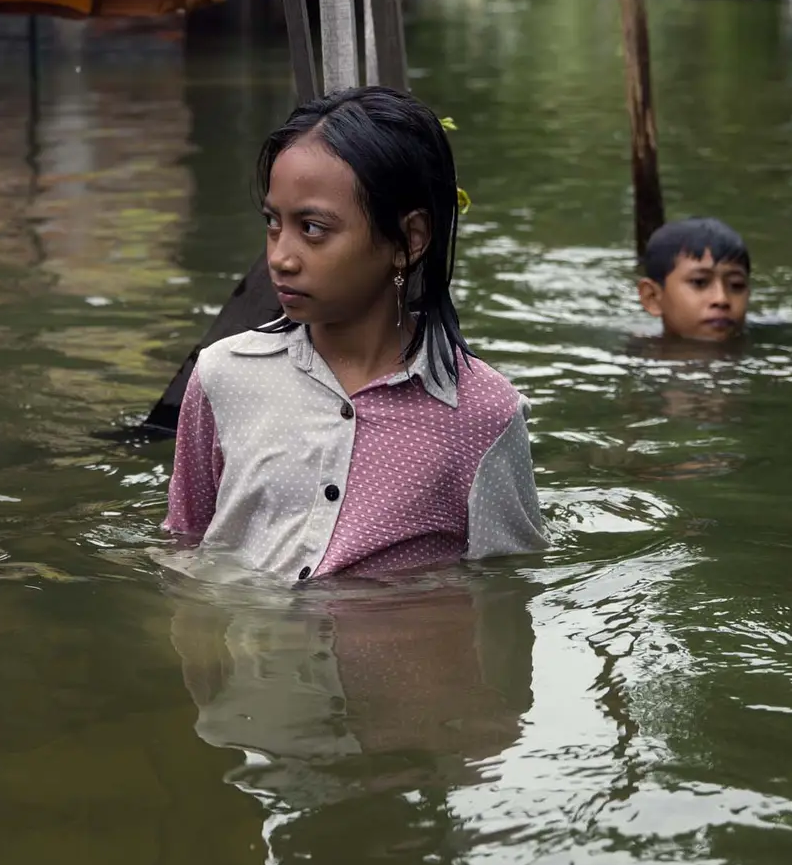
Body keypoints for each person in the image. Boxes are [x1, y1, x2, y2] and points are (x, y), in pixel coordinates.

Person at [162, 87, 547, 583]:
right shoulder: (223, 376)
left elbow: (504, 591)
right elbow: (184, 545)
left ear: (408, 241)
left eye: (314, 228)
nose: (281, 256)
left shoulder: (483, 414)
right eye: (273, 223)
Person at [637, 217, 752, 342]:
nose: (721, 299)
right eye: (699, 282)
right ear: (652, 298)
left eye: (736, 285)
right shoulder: (633, 358)